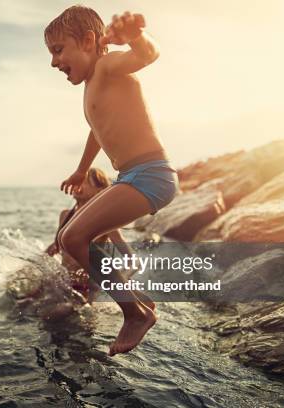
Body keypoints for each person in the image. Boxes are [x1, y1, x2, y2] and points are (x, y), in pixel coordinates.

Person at [44, 6, 179, 356]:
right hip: (135, 176)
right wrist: (81, 169)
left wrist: (134, 35)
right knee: (71, 235)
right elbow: (97, 131)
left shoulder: (106, 66)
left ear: (89, 41)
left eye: (58, 50)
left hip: (151, 175)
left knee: (72, 236)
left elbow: (148, 54)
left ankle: (135, 313)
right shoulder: (93, 86)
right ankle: (134, 300)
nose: (54, 62)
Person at [45, 168, 155, 310]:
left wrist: (115, 282)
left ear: (100, 191)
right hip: (67, 282)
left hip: (90, 287)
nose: (77, 184)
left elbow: (132, 260)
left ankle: (138, 305)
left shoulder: (103, 220)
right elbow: (55, 248)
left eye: (84, 182)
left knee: (64, 316)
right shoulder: (65, 215)